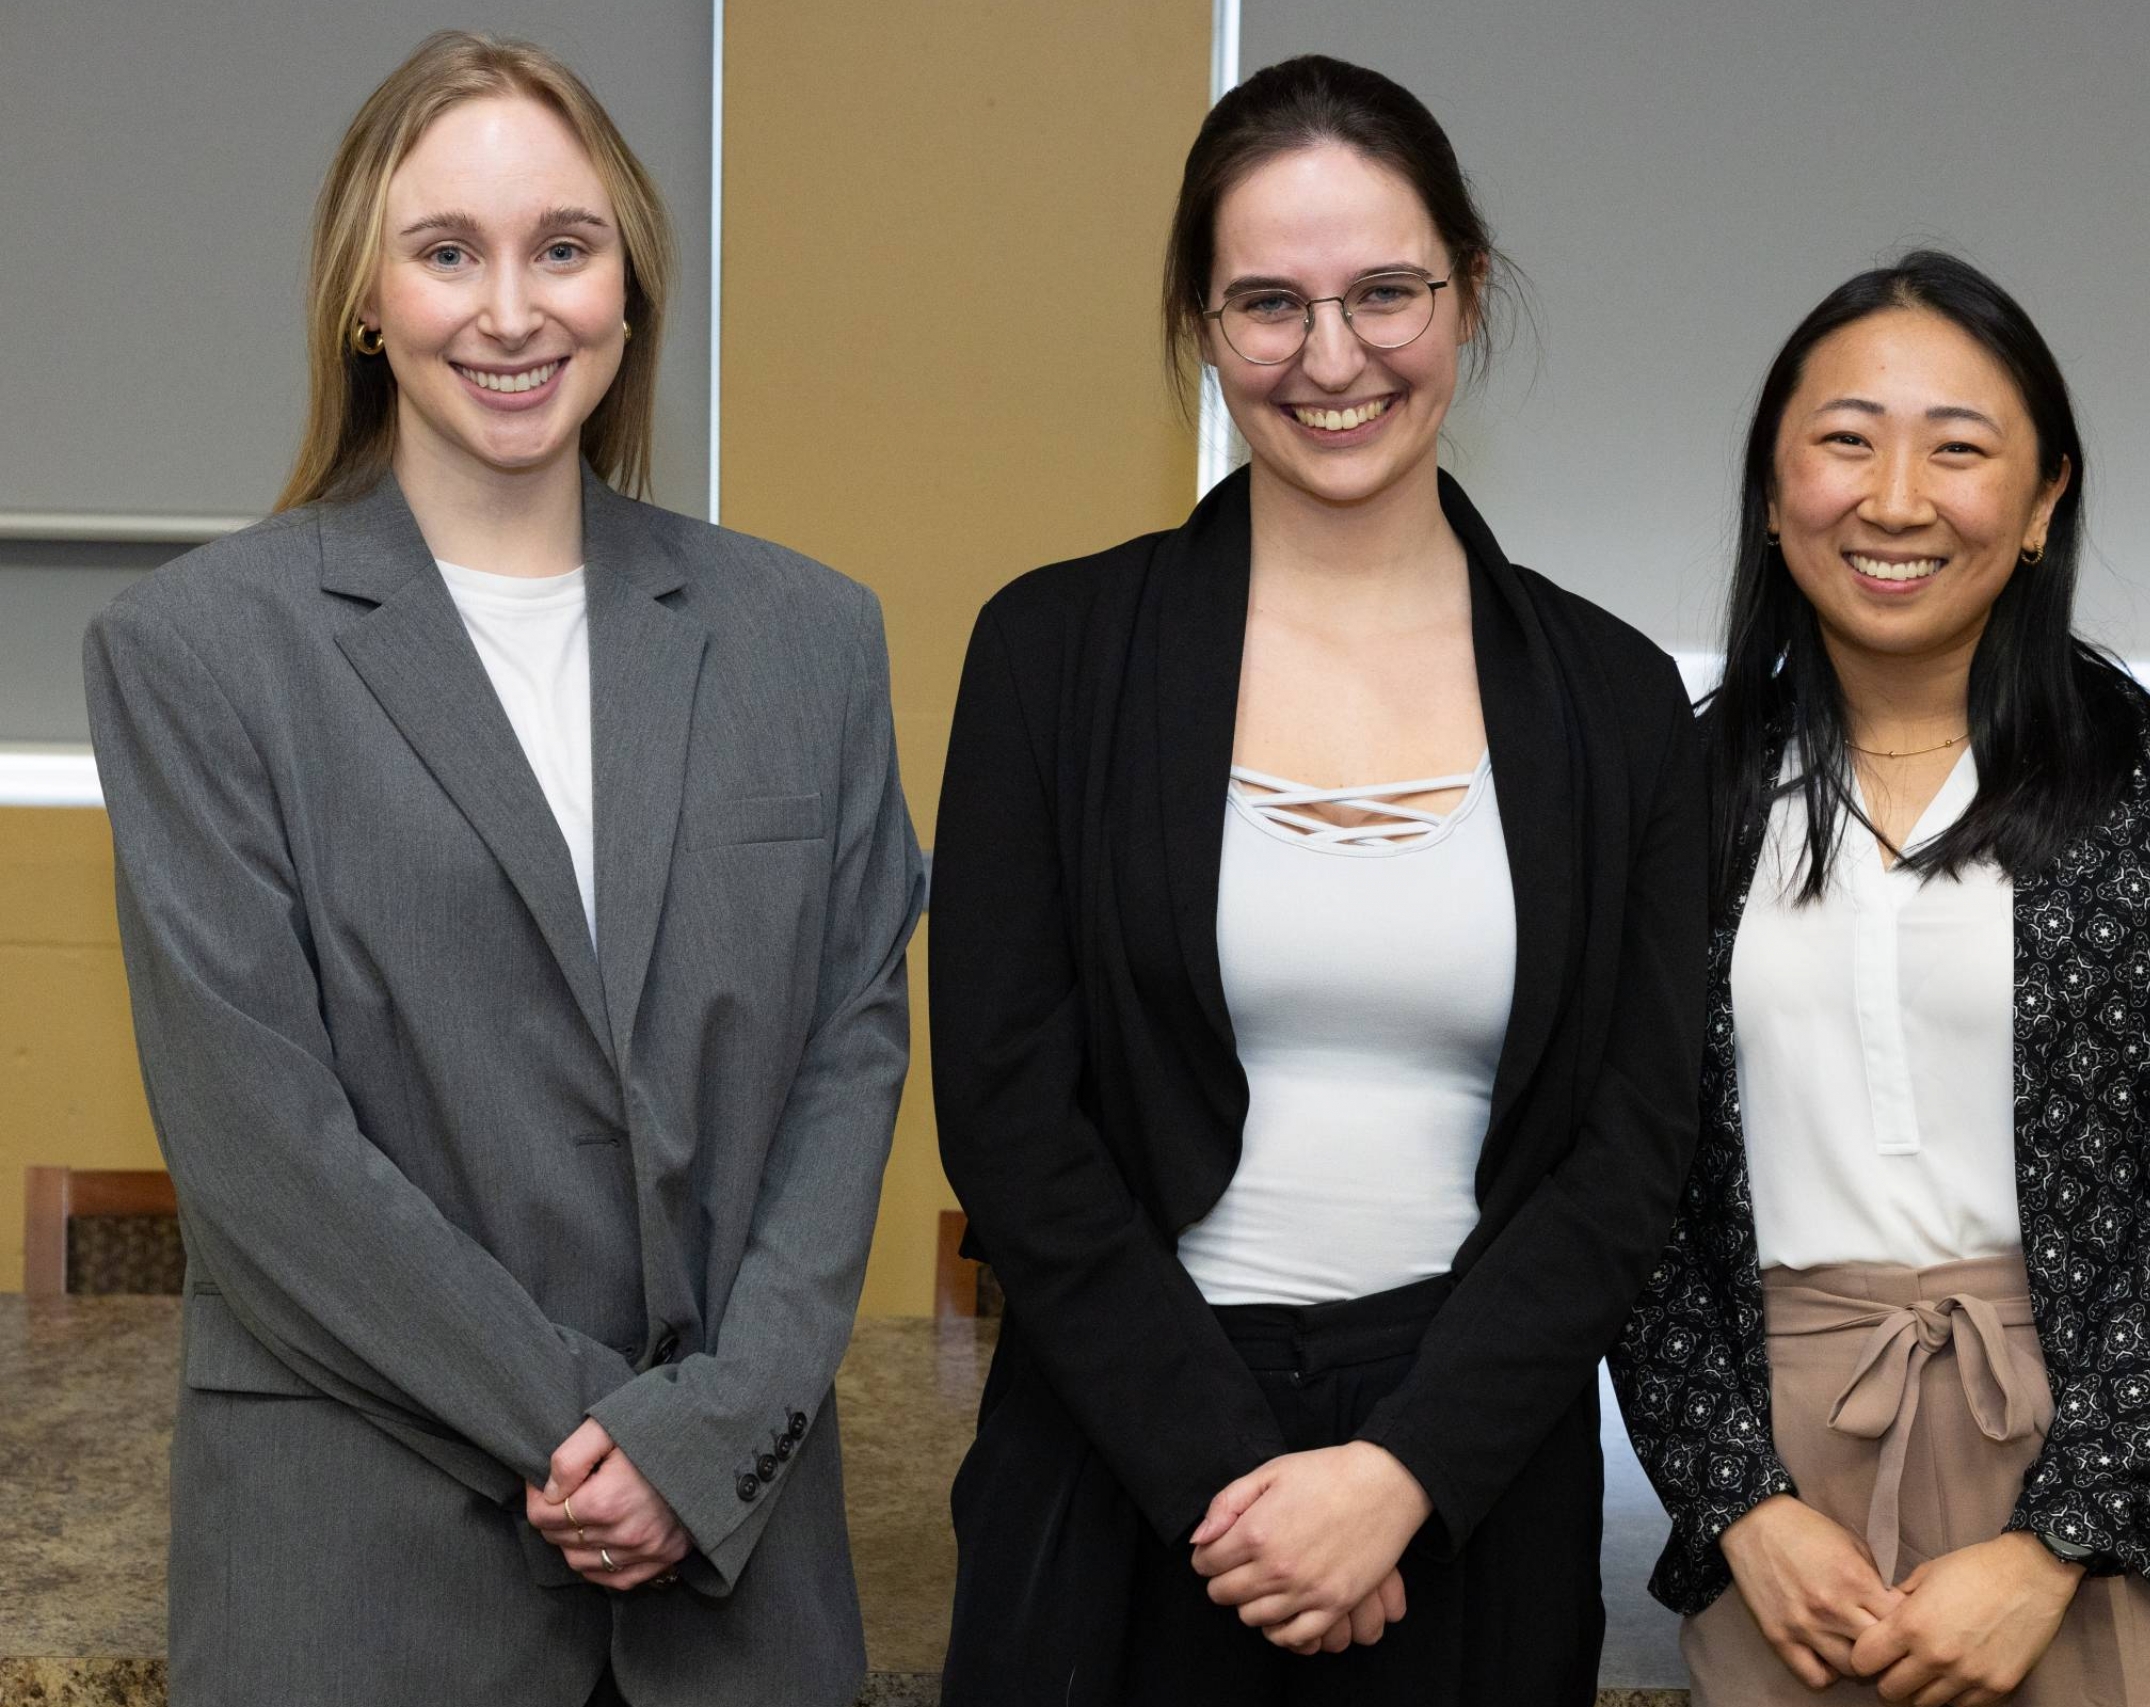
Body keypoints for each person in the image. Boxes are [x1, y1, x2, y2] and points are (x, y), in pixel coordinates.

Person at [84, 32, 924, 1707]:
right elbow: (266, 1159)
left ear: (631, 287)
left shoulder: (809, 639)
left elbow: (851, 1059)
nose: (514, 309)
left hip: (736, 1594)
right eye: (447, 251)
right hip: (361, 1581)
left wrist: (705, 1435)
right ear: (362, 300)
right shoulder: (195, 652)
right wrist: (584, 1430)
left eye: (565, 246)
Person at [928, 53, 1712, 1706]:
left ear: (1470, 295)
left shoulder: (1617, 702)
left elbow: (1632, 1153)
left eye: (1385, 294)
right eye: (1268, 304)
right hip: (1118, 1463)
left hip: (1469, 1486)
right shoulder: (1053, 656)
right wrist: (1235, 1482)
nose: (1332, 357)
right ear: (1202, 326)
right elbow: (1009, 1118)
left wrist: (1401, 1478)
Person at [1612, 250, 2150, 1706]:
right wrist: (1736, 1503)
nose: (1894, 499)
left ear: (2040, 505)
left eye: (1958, 450)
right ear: (1774, 498)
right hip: (1793, 1508)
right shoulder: (1671, 791)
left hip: (2138, 1483)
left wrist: (2053, 1543)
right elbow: (1621, 1189)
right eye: (1845, 441)